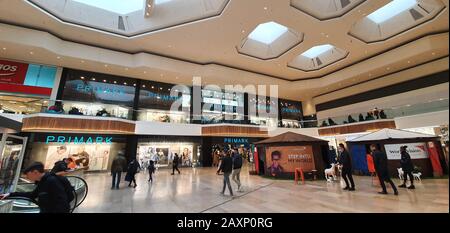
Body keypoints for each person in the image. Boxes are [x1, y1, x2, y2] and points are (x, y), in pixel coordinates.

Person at [0, 162, 71, 213]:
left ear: (35, 172)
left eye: (27, 175)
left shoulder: (51, 181)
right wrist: (10, 194)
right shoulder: (43, 182)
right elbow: (32, 195)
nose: (27, 178)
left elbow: (62, 202)